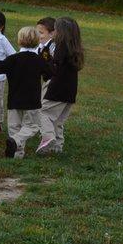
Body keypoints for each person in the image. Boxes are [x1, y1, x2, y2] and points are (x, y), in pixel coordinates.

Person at [0, 26, 53, 158]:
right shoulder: (38, 60)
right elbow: (49, 73)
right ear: (37, 41)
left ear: (19, 41)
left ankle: (17, 155)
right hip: (32, 101)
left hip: (14, 100)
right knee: (33, 126)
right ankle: (17, 142)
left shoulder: (13, 59)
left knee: (14, 128)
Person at [36, 17, 84, 154]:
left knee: (42, 111)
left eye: (56, 29)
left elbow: (53, 67)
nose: (54, 32)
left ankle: (47, 137)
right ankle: (57, 147)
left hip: (57, 88)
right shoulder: (74, 49)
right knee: (57, 120)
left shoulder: (61, 47)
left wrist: (44, 56)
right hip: (70, 91)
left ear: (61, 32)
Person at [36, 17, 56, 97]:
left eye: (41, 33)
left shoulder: (53, 47)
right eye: (36, 32)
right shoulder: (40, 46)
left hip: (53, 81)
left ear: (51, 34)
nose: (37, 35)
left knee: (43, 106)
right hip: (46, 79)